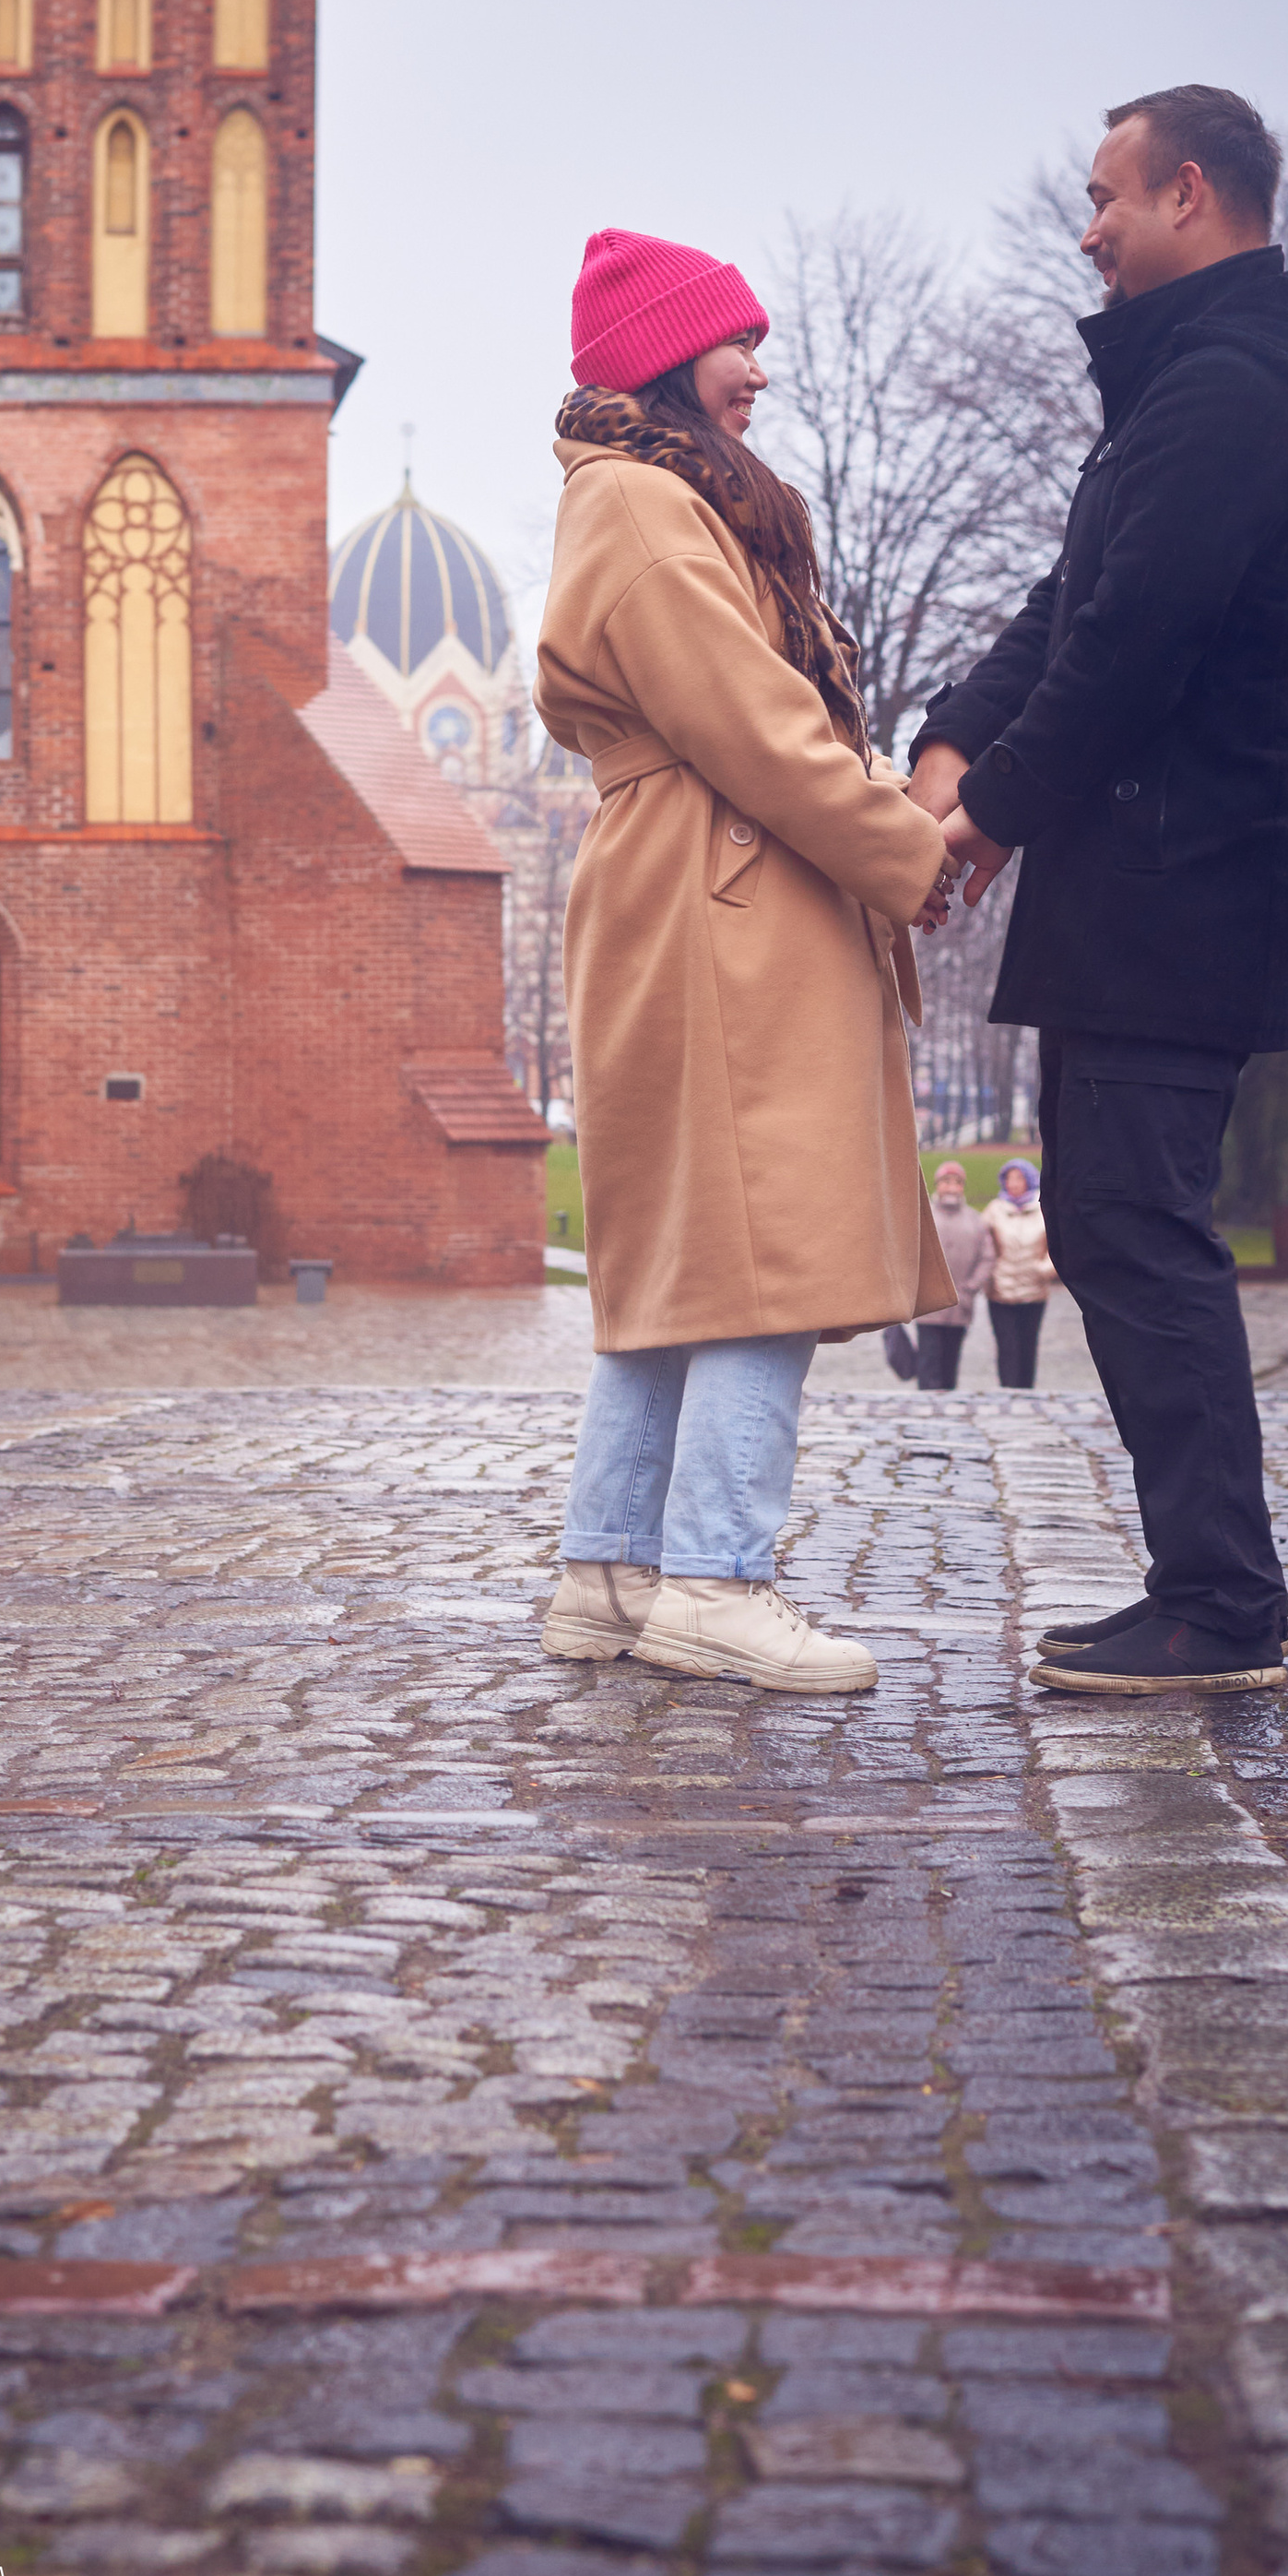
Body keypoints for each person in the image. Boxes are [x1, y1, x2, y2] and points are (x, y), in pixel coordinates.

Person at [906, 87, 1288, 1698]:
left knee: (1133, 1228)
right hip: (1151, 890)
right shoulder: (1193, 390)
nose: (1086, 229)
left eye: (1105, 196)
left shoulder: (1229, 398)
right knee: (1119, 1225)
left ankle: (1222, 1602)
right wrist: (952, 740)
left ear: (1189, 192)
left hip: (1178, 890)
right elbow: (1068, 607)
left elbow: (1128, 651)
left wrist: (983, 820)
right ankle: (1207, 1587)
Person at [536, 227, 955, 1693]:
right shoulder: (648, 505)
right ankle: (717, 1577)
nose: (759, 371)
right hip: (727, 893)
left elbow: (749, 726)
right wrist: (908, 849)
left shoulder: (647, 499)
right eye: (736, 343)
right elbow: (759, 730)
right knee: (771, 1241)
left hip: (700, 885)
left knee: (693, 1254)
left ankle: (609, 1569)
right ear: (667, 356)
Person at [916, 1160, 997, 1389]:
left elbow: (987, 1257)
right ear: (937, 1185)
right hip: (928, 1305)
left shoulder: (975, 1220)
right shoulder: (923, 1215)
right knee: (928, 1360)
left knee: (950, 1361)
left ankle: (948, 1401)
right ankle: (926, 1402)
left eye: (957, 1182)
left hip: (960, 1304)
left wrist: (970, 1288)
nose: (951, 1187)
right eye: (946, 1182)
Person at [980, 1157, 1054, 1387]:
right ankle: (1008, 1390)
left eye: (1018, 1178)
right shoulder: (994, 1210)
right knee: (1007, 1346)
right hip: (1001, 1292)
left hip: (1034, 1291)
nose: (1013, 1183)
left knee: (1028, 1345)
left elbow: (1059, 1245)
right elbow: (982, 1245)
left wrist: (1044, 1269)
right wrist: (989, 1273)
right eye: (1009, 1179)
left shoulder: (1043, 1210)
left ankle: (1026, 1390)